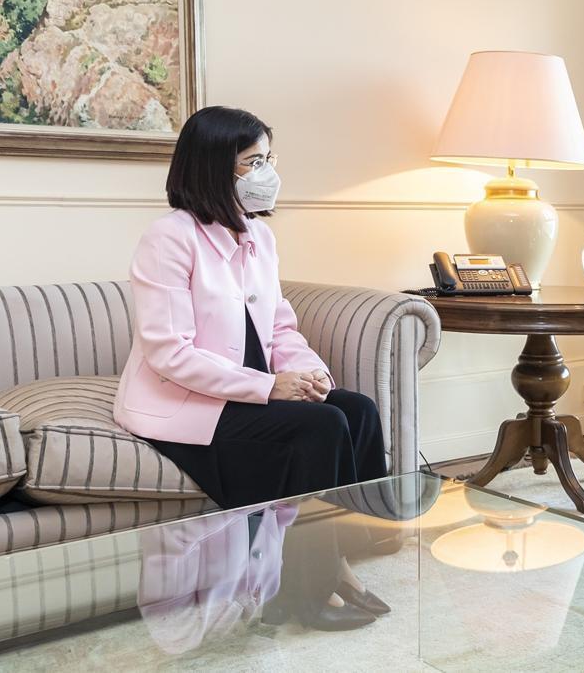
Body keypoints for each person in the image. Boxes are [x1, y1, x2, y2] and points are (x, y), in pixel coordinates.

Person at [114, 106, 389, 630]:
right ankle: (305, 592)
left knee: (355, 409)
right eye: (252, 161)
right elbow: (169, 353)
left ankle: (341, 556)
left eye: (269, 158)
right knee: (325, 425)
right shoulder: (169, 237)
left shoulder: (258, 236)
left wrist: (312, 376)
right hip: (188, 405)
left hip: (248, 391)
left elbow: (280, 327)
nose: (267, 173)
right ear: (214, 166)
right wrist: (269, 386)